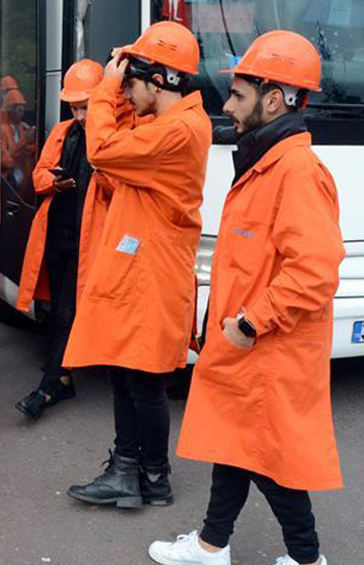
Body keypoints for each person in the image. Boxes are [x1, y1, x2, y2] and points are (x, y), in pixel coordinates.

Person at [148, 31, 343, 565]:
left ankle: (306, 559)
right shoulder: (268, 162)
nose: (227, 105)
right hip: (249, 345)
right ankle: (213, 544)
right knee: (236, 445)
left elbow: (315, 269)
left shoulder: (295, 171)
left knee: (265, 457)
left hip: (266, 348)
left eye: (237, 94)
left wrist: (251, 323)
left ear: (274, 99)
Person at [63, 22, 212, 508]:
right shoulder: (164, 123)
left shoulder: (180, 129)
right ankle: (132, 472)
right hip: (140, 265)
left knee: (144, 378)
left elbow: (103, 147)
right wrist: (123, 87)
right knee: (127, 373)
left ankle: (150, 475)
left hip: (152, 271)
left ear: (162, 80)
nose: (126, 89)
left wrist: (107, 87)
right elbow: (119, 142)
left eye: (133, 81)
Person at [14, 59, 103, 420]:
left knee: (67, 310)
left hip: (88, 238)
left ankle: (48, 388)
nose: (80, 114)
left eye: (87, 106)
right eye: (75, 106)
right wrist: (55, 181)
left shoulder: (113, 133)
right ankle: (63, 376)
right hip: (57, 233)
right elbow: (37, 177)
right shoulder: (62, 132)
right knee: (54, 310)